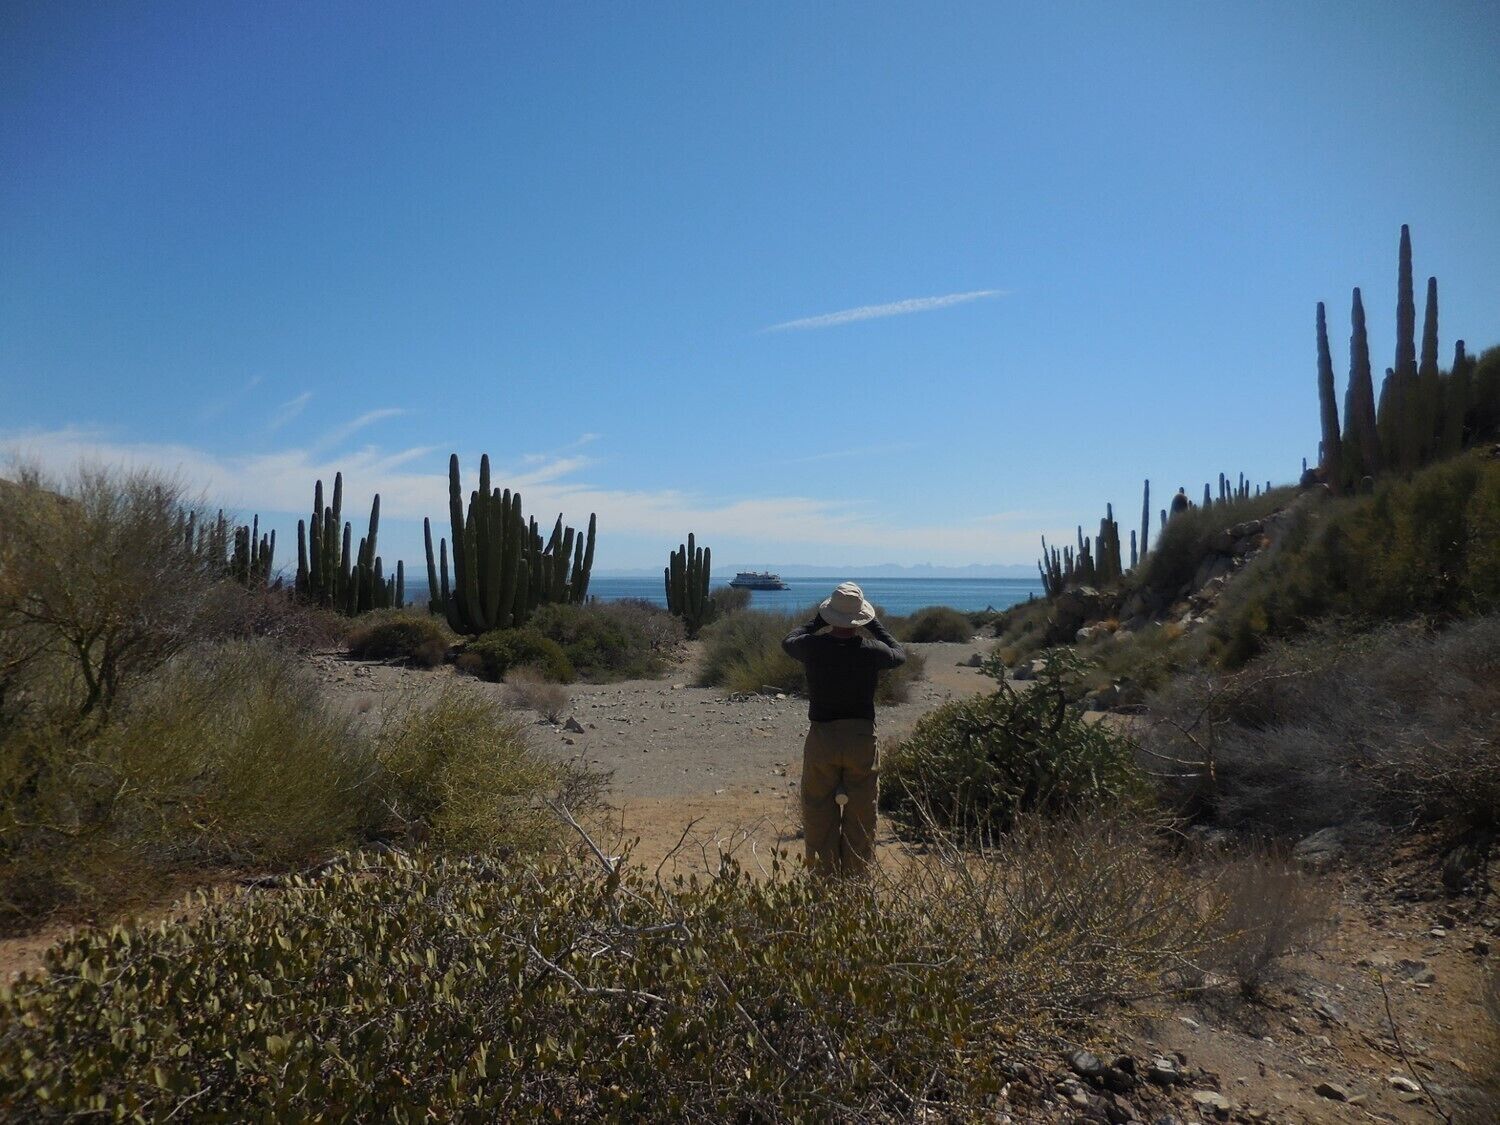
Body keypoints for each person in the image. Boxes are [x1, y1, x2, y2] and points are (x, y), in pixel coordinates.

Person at [781, 582, 906, 877]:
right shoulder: (871, 650)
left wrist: (817, 622)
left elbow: (789, 640)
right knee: (861, 817)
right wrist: (874, 625)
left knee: (818, 814)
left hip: (822, 738)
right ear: (861, 618)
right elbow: (898, 653)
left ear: (830, 615)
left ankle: (824, 886)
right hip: (861, 738)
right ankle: (855, 884)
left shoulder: (812, 647)